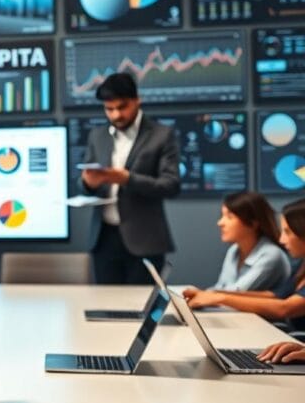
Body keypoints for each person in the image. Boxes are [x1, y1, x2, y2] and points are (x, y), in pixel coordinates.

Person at [79, 72, 181, 284]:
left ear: (137, 100)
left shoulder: (162, 135)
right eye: (109, 109)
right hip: (103, 239)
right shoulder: (97, 136)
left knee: (139, 310)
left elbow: (170, 185)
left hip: (144, 240)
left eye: (122, 107)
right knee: (105, 310)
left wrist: (126, 178)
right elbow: (83, 183)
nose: (116, 115)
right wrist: (88, 184)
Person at [186, 198, 305, 332]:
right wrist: (212, 293)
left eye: (288, 232)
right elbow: (274, 296)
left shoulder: (271, 255)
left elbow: (284, 308)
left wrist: (220, 298)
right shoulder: (301, 265)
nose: (281, 239)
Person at [195, 191, 289, 294]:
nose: (220, 223)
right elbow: (221, 287)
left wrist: (204, 296)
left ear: (253, 223)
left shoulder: (271, 254)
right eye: (222, 216)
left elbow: (237, 292)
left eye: (229, 217)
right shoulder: (234, 250)